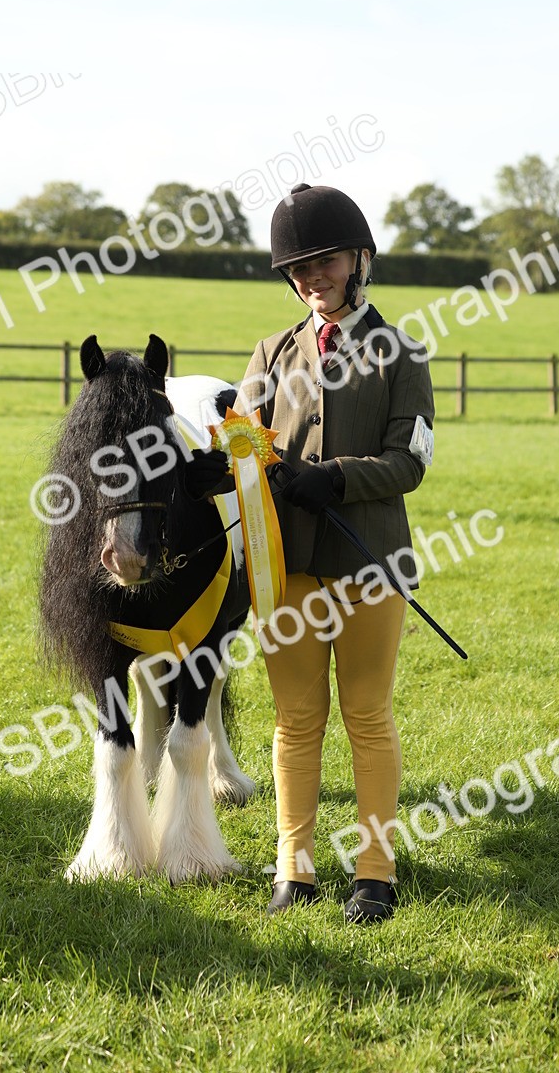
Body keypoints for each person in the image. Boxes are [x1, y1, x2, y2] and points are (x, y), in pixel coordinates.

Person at [192, 183, 434, 922]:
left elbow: (411, 461)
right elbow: (247, 447)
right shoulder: (271, 352)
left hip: (369, 566)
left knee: (367, 714)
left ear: (359, 259)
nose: (310, 279)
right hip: (286, 568)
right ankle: (293, 871)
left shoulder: (402, 353)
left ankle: (375, 873)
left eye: (323, 261)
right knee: (295, 721)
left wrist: (332, 478)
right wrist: (223, 464)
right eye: (297, 270)